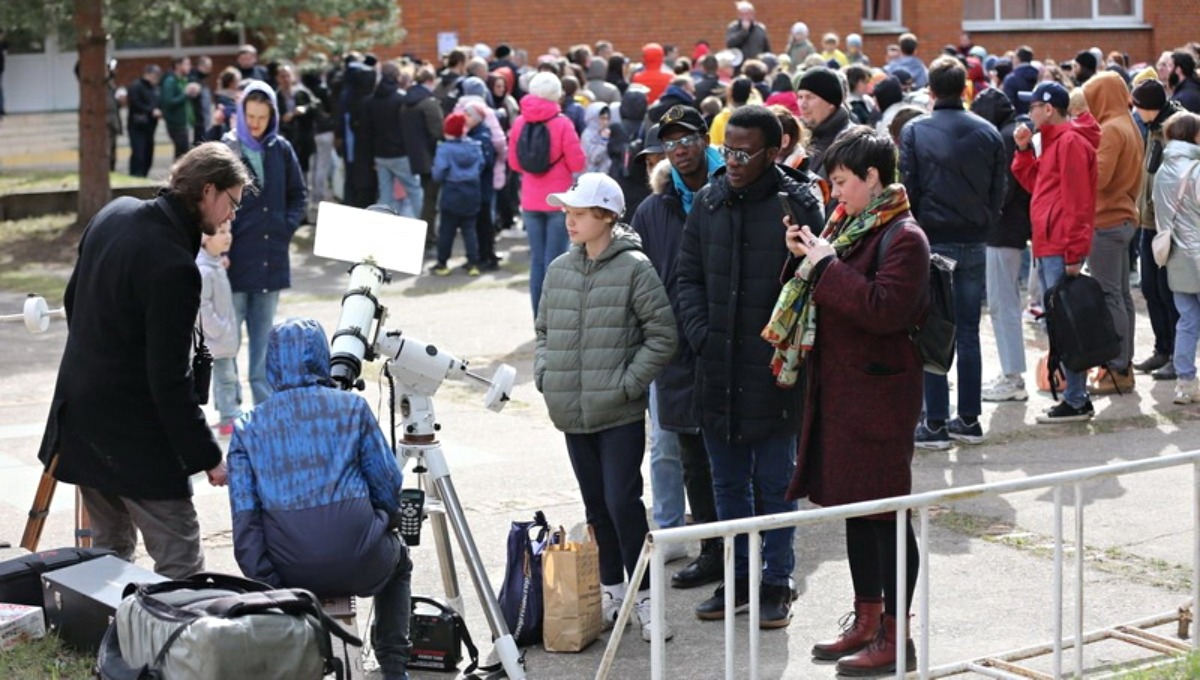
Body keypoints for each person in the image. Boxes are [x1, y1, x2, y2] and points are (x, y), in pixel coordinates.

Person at [37, 143, 249, 578]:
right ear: (208, 191)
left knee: (107, 556)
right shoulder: (174, 265)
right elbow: (168, 379)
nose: (232, 215)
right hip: (136, 434)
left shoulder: (115, 213)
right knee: (181, 564)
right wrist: (208, 456)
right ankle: (177, 641)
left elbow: (73, 300)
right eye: (232, 203)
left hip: (82, 412)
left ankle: (111, 639)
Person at [767, 125, 927, 676]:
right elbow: (826, 283)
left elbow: (886, 310)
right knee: (856, 511)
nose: (833, 194)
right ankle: (867, 616)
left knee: (885, 512)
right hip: (842, 389)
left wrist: (826, 266)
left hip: (880, 395)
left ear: (872, 178)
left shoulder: (904, 235)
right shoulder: (850, 223)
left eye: (840, 181)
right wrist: (806, 257)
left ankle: (895, 633)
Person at [676, 105, 823, 628]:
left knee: (775, 484)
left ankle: (777, 581)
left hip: (774, 371)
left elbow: (816, 283)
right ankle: (737, 579)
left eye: (744, 152)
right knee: (726, 484)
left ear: (774, 149)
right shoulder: (710, 199)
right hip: (716, 365)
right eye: (728, 150)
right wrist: (702, 334)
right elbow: (686, 276)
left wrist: (782, 347)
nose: (733, 161)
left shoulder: (798, 201)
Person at [534, 173, 678, 643]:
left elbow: (663, 336)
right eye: (567, 212)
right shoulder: (559, 269)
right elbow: (543, 333)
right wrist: (546, 376)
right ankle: (613, 591)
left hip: (617, 412)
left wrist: (627, 385)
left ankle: (647, 598)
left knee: (623, 501)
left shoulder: (635, 267)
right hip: (572, 412)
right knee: (596, 506)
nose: (569, 220)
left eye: (578, 213)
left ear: (607, 216)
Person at [227, 318, 411, 680]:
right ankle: (394, 666)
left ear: (271, 362)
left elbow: (245, 523)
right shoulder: (352, 409)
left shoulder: (248, 427)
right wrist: (383, 523)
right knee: (399, 563)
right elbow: (389, 484)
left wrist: (272, 587)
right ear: (322, 357)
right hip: (362, 558)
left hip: (289, 571)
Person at [631, 106, 726, 589]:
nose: (679, 149)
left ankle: (751, 548)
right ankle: (710, 549)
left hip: (726, 342)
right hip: (675, 349)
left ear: (704, 138)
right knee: (687, 454)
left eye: (687, 138)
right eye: (670, 142)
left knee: (733, 451)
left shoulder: (732, 192)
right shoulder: (653, 209)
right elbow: (640, 279)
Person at [900, 56, 1007, 448]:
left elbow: (907, 186)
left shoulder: (915, 130)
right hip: (973, 238)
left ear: (930, 91)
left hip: (935, 239)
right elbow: (1000, 188)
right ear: (965, 89)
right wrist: (984, 222)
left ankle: (936, 422)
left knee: (934, 329)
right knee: (967, 330)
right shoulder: (988, 132)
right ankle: (969, 418)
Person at [1012, 82, 1101, 422]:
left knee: (1065, 324)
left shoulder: (1070, 143)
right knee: (1061, 324)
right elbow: (1038, 185)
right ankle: (1075, 396)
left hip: (1060, 247)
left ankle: (1077, 398)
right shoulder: (1054, 142)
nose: (1029, 112)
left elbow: (1080, 202)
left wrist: (1074, 253)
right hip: (1052, 244)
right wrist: (1023, 151)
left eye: (1032, 106)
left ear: (1047, 109)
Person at [221, 81, 308, 408]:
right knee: (226, 343)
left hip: (271, 258)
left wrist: (286, 225)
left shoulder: (280, 148)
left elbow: (298, 194)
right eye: (250, 115)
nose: (255, 122)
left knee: (263, 343)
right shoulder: (227, 148)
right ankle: (230, 409)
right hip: (233, 259)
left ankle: (265, 407)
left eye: (262, 116)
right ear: (241, 113)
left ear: (272, 115)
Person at [1083, 72, 1146, 396]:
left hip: (1106, 222)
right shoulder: (1129, 123)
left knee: (1111, 296)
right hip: (1124, 218)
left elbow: (1100, 178)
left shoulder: (1109, 129)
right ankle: (1124, 364)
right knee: (1121, 296)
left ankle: (1117, 368)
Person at [506, 71, 587, 318]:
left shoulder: (520, 122)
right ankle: (555, 318)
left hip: (530, 200)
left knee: (537, 262)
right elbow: (577, 163)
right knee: (557, 261)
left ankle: (538, 318)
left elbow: (514, 163)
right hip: (557, 200)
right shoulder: (562, 123)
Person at [971, 87, 1034, 403]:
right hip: (1013, 228)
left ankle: (1012, 377)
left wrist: (982, 212)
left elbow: (1004, 189)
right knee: (1005, 301)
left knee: (1002, 303)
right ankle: (1012, 374)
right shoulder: (1014, 131)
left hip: (1002, 230)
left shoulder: (1005, 137)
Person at [1132, 79, 1184, 380]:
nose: (1136, 112)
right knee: (1150, 288)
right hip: (1148, 223)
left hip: (1166, 226)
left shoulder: (1173, 130)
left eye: (1139, 106)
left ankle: (1177, 353)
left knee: (1167, 291)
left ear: (1150, 107)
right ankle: (1161, 348)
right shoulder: (1151, 128)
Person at [1154, 112, 1200, 404]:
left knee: (1187, 319)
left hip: (1176, 258)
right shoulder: (1196, 169)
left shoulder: (1161, 171)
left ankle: (1185, 381)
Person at [196, 219, 241, 437]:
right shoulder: (204, 270)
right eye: (221, 231)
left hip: (222, 339)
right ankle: (228, 418)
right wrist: (219, 329)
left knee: (228, 377)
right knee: (226, 379)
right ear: (205, 238)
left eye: (229, 231)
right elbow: (201, 306)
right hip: (216, 339)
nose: (228, 235)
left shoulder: (215, 263)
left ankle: (229, 414)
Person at [431, 112, 484, 276]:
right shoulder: (475, 146)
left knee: (447, 230)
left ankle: (442, 263)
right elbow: (482, 165)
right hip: (472, 190)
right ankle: (473, 263)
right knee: (469, 229)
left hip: (452, 190)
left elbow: (438, 173)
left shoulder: (445, 149)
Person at [364, 62, 419, 218]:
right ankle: (423, 227)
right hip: (401, 153)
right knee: (414, 190)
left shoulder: (370, 100)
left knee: (386, 194)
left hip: (380, 154)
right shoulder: (401, 99)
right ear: (397, 77)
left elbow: (368, 131)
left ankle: (384, 231)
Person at [796, 67, 854, 180]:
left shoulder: (849, 143)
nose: (802, 104)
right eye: (800, 97)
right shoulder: (800, 138)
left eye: (810, 97)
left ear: (831, 103)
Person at [127, 64, 162, 177]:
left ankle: (144, 174)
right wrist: (151, 111)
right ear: (147, 74)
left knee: (148, 153)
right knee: (139, 153)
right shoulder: (136, 86)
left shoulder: (154, 88)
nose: (156, 79)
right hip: (138, 125)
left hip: (150, 126)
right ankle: (136, 174)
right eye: (154, 75)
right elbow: (135, 103)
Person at [161, 56, 198, 159]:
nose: (189, 67)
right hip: (176, 124)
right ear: (178, 66)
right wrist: (185, 94)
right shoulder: (170, 81)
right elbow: (168, 102)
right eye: (187, 64)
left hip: (186, 122)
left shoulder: (184, 80)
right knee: (182, 154)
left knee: (183, 153)